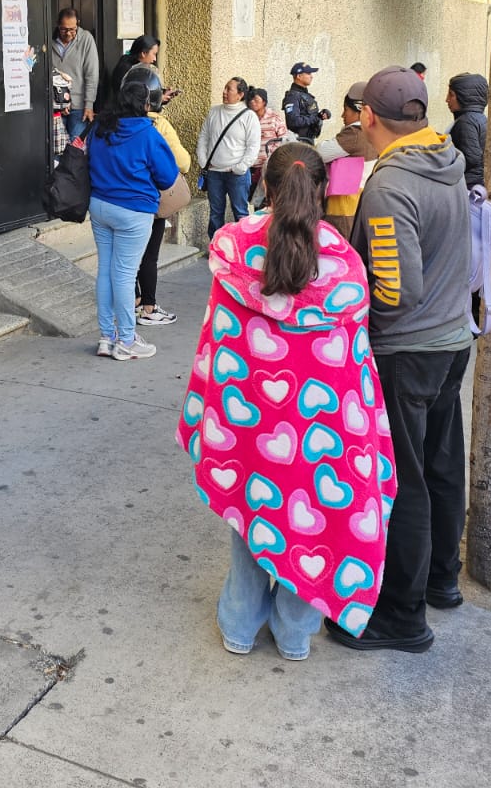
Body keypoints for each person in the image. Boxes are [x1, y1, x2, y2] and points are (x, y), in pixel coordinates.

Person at [177, 144, 397, 658]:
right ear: (323, 191)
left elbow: (219, 340)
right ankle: (295, 634)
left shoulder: (232, 248)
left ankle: (239, 625)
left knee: (251, 507)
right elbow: (352, 364)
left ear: (267, 189)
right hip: (321, 427)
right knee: (315, 519)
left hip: (247, 420)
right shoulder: (343, 264)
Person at [335, 67, 472, 655]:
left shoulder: (391, 186)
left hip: (407, 351)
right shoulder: (446, 158)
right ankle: (442, 579)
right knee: (441, 464)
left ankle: (402, 615)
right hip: (452, 339)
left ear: (368, 116)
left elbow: (396, 290)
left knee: (404, 481)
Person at [87, 78, 180, 360]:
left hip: (99, 205)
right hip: (133, 211)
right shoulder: (148, 133)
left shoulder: (100, 127)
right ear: (146, 105)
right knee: (125, 275)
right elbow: (168, 177)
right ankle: (127, 340)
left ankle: (107, 337)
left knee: (106, 271)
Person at [130, 64, 190, 329]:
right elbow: (181, 164)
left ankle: (132, 302)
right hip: (148, 199)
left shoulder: (110, 122)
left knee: (125, 259)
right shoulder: (156, 125)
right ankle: (149, 308)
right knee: (149, 256)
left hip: (115, 202)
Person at [196, 78, 262, 243]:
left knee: (240, 213)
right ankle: (216, 247)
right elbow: (203, 138)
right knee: (215, 213)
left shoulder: (249, 117)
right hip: (214, 173)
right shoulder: (214, 112)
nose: (224, 92)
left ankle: (244, 247)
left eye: (229, 89)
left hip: (237, 175)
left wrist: (240, 167)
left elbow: (253, 146)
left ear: (240, 95)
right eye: (225, 88)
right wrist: (203, 161)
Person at [51, 8, 99, 140]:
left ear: (78, 23)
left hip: (79, 106)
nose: (68, 33)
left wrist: (89, 105)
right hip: (55, 106)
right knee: (56, 146)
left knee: (75, 146)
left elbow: (92, 75)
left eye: (72, 29)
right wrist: (59, 102)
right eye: (64, 29)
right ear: (58, 25)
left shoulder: (86, 39)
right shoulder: (49, 39)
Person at [245, 87, 288, 204]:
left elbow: (284, 141)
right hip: (252, 167)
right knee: (254, 200)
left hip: (269, 167)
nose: (252, 102)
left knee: (270, 200)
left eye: (256, 100)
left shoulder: (274, 118)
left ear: (264, 102)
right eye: (251, 100)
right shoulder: (248, 119)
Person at [445, 73, 489, 189]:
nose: (447, 100)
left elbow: (471, 158)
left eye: (451, 95)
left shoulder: (466, 122)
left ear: (463, 96)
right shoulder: (479, 118)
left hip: (467, 185)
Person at [103, 33, 162, 110]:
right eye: (154, 54)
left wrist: (161, 94)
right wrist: (157, 100)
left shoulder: (139, 68)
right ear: (143, 53)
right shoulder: (127, 70)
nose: (155, 59)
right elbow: (132, 99)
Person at [281, 62, 328, 143]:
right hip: (299, 143)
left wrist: (321, 115)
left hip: (308, 141)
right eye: (308, 73)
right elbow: (293, 121)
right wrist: (315, 118)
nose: (311, 76)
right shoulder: (292, 97)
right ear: (299, 76)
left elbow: (308, 115)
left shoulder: (305, 95)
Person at [334, 81, 375, 159]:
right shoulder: (377, 131)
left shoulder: (354, 133)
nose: (342, 115)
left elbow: (320, 152)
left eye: (346, 109)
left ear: (360, 109)